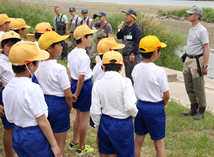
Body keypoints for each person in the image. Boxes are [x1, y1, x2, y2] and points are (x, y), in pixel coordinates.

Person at [3, 41, 61, 156]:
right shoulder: (32, 88)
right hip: (34, 135)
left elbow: (9, 118)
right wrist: (54, 145)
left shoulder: (7, 88)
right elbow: (42, 121)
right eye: (37, 61)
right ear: (30, 65)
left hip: (17, 133)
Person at [91, 51, 138, 157]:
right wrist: (134, 114)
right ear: (121, 67)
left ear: (103, 67)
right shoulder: (125, 82)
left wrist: (99, 126)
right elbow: (130, 105)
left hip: (106, 121)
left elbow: (95, 110)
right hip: (123, 123)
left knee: (108, 154)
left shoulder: (98, 84)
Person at [33, 31, 73, 156]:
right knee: (59, 143)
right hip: (58, 104)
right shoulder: (59, 69)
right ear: (50, 48)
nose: (62, 47)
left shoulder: (37, 67)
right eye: (59, 45)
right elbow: (68, 94)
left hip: (43, 101)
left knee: (47, 140)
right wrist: (69, 107)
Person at [132, 35, 170, 157]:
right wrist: (163, 104)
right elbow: (166, 95)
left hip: (140, 106)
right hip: (155, 108)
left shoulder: (136, 68)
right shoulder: (159, 71)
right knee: (159, 143)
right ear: (156, 52)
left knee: (138, 140)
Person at [68, 25, 97, 154]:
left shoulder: (72, 53)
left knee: (78, 115)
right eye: (90, 37)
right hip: (83, 86)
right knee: (84, 117)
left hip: (74, 84)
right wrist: (77, 93)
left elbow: (70, 72)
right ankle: (81, 146)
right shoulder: (84, 57)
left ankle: (74, 141)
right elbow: (81, 78)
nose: (91, 39)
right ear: (83, 38)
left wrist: (71, 90)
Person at [181, 5, 210, 120]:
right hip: (188, 59)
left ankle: (201, 110)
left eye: (191, 14)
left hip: (197, 61)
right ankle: (193, 108)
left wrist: (205, 66)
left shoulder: (202, 30)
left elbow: (206, 48)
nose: (188, 16)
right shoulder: (192, 29)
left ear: (197, 16)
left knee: (198, 86)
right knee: (188, 85)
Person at [0, 31, 21, 157]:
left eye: (15, 44)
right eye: (9, 45)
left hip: (20, 96)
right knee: (9, 129)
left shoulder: (20, 58)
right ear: (2, 47)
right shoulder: (1, 61)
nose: (12, 48)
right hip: (7, 98)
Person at [117, 9, 143, 82]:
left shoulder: (137, 28)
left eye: (128, 15)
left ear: (133, 17)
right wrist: (119, 30)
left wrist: (133, 53)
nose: (126, 17)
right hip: (125, 56)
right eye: (126, 15)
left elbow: (138, 42)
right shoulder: (125, 27)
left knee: (135, 76)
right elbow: (119, 37)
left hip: (133, 57)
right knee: (128, 76)